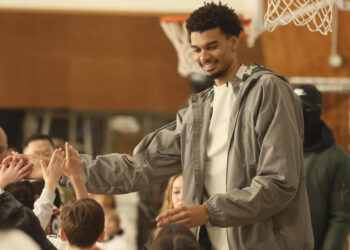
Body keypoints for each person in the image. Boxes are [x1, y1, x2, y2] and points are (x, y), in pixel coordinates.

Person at [4, 3, 313, 249]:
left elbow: (280, 182)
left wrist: (210, 211)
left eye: (212, 46)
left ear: (234, 42)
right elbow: (137, 167)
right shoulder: (198, 110)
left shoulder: (268, 91)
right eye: (196, 49)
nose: (203, 56)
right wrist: (51, 169)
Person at [294, 84, 350, 250]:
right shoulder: (273, 151)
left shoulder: (338, 159)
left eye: (303, 110)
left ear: (315, 113)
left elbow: (340, 217)